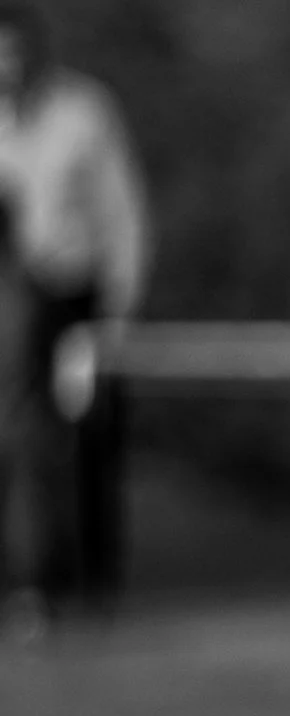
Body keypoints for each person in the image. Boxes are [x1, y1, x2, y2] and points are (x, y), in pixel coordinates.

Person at [0, 1, 148, 623]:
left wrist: (115, 314)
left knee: (91, 442)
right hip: (10, 300)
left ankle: (96, 589)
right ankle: (33, 581)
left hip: (75, 298)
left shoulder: (83, 112)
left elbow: (123, 215)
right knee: (22, 444)